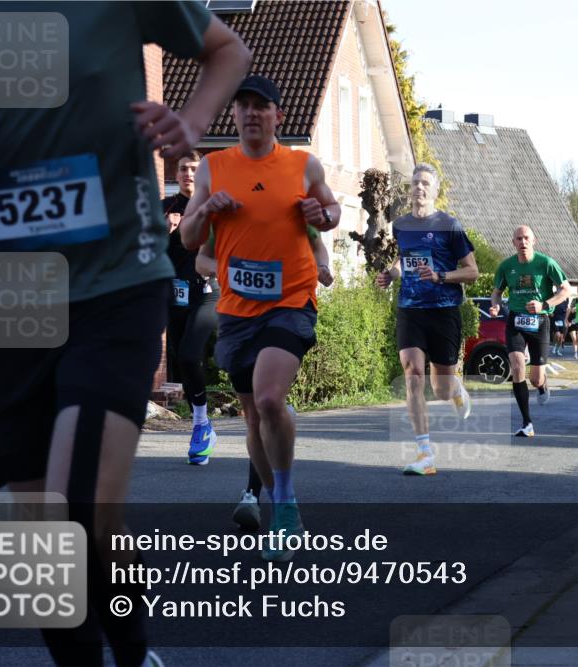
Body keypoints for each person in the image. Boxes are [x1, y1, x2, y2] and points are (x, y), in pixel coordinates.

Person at [0, 3, 251, 665]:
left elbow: (227, 50)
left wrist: (191, 122)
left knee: (79, 503)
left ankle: (130, 649)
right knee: (45, 532)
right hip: (7, 292)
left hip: (116, 276)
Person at [181, 75, 340, 561]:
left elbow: (332, 212)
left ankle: (286, 506)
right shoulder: (213, 167)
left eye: (261, 107)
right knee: (253, 415)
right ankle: (278, 501)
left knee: (270, 399)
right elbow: (189, 239)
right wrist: (206, 208)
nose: (252, 113)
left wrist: (322, 213)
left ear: (278, 116)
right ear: (234, 115)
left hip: (291, 301)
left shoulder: (301, 164)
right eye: (243, 106)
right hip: (236, 311)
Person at [376, 163, 478, 476]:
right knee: (412, 371)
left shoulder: (450, 225)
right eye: (415, 183)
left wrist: (440, 276)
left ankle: (456, 389)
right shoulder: (401, 225)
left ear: (433, 191)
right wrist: (391, 274)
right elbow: (402, 259)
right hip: (410, 308)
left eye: (425, 184)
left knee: (442, 388)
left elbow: (472, 272)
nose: (419, 188)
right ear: (410, 190)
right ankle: (424, 452)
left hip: (444, 310)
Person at [164, 151, 222, 465]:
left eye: (194, 169)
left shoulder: (212, 206)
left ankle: (200, 422)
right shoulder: (165, 207)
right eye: (183, 168)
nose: (188, 173)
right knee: (182, 359)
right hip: (174, 296)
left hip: (208, 293)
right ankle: (202, 425)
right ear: (177, 174)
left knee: (189, 353)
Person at [490, 226, 572, 437]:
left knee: (535, 378)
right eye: (519, 238)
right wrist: (496, 306)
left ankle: (543, 384)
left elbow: (566, 290)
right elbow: (497, 293)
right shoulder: (506, 266)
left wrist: (544, 305)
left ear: (534, 241)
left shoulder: (546, 263)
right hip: (516, 320)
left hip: (539, 321)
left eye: (526, 238)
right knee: (517, 367)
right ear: (513, 242)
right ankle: (527, 422)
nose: (523, 242)